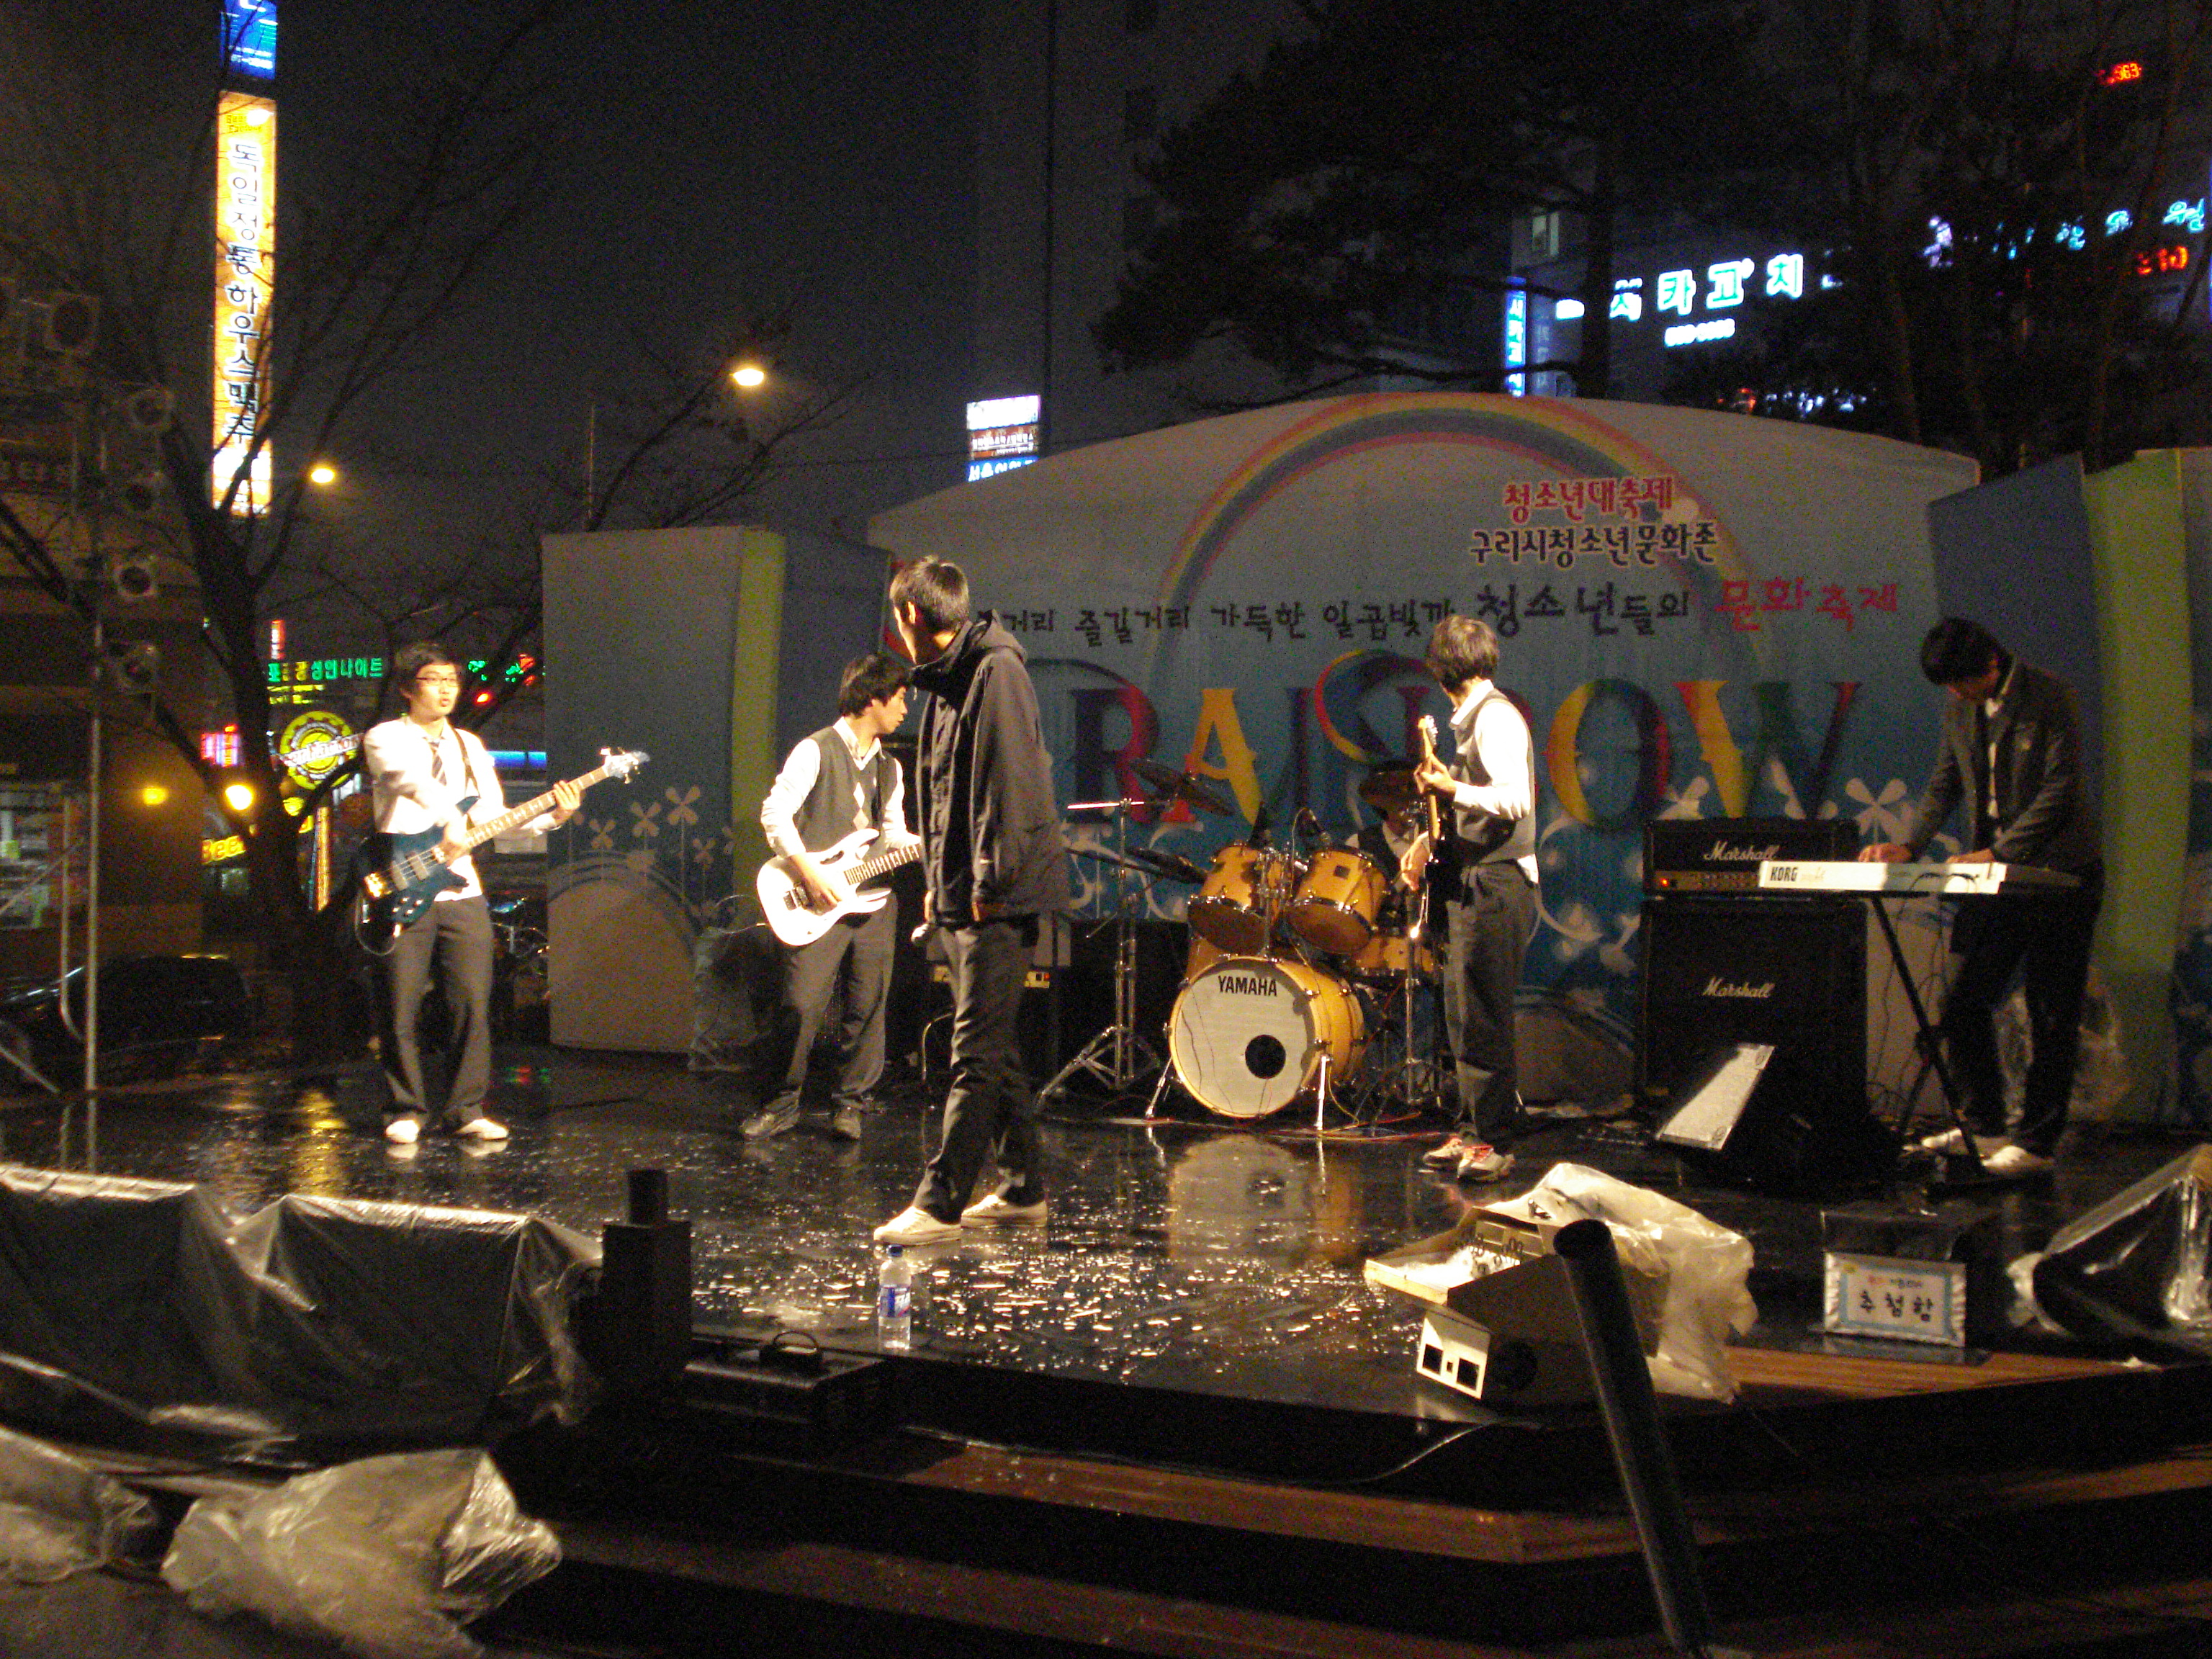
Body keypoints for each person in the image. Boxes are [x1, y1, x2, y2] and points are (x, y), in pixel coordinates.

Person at [1861, 616, 2103, 1178]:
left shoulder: (2049, 696)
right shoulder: (1961, 708)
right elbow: (1946, 781)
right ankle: (1985, 1125)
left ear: (1990, 664)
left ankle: (2037, 1143)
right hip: (1997, 880)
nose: (1956, 693)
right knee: (1964, 1002)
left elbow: (2061, 788)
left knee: (2051, 1012)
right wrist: (1909, 844)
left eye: (1961, 682)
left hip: (2059, 873)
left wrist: (2001, 851)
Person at [873, 557, 1071, 1246]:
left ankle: (939, 1204)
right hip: (965, 891)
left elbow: (1010, 786)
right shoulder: (949, 678)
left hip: (998, 896)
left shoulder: (997, 671)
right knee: (996, 1048)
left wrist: (988, 885)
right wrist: (938, 883)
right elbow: (943, 793)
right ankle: (1022, 1189)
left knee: (975, 1054)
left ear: (910, 615)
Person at [362, 642, 578, 1146]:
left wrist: (553, 816)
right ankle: (406, 1109)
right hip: (403, 881)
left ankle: (466, 1109)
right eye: (433, 680)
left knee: (472, 1001)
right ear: (407, 688)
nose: (445, 690)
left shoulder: (469, 745)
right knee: (400, 1004)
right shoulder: (386, 736)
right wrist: (450, 818)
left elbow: (493, 817)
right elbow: (408, 782)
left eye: (452, 681)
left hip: (462, 888)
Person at [746, 652, 920, 1141]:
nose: (905, 709)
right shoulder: (815, 750)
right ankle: (780, 1104)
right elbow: (775, 814)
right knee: (801, 1005)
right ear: (872, 700)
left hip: (872, 900)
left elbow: (892, 834)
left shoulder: (890, 768)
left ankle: (851, 1105)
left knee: (868, 1007)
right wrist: (808, 871)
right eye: (899, 698)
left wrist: (930, 843)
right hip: (814, 896)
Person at [1407, 615, 1538, 1184]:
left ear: (1440, 673)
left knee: (1483, 1016)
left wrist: (1451, 787)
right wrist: (1426, 841)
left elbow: (1515, 801)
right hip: (1472, 878)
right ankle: (1470, 1128)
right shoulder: (1470, 721)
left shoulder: (1496, 717)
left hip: (1498, 882)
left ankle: (1495, 1141)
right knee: (1462, 1017)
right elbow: (1469, 807)